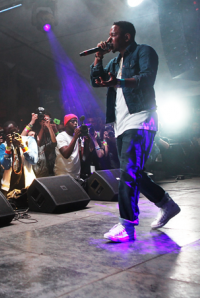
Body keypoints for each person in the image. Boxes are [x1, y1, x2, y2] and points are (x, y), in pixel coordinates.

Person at [91, 21, 180, 242]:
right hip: (121, 124)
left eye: (113, 35)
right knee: (134, 173)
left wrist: (119, 81)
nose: (109, 39)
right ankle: (166, 204)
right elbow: (96, 81)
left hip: (141, 118)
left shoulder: (144, 51)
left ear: (127, 37)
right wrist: (98, 57)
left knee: (128, 172)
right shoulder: (113, 62)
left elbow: (147, 78)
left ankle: (126, 225)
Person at [0, 121, 38, 193]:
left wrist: (22, 145)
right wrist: (8, 147)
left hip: (28, 184)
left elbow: (34, 160)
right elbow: (5, 166)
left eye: (13, 131)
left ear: (18, 129)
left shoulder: (29, 140)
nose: (11, 134)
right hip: (9, 188)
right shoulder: (3, 146)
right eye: (8, 133)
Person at [54, 115, 83, 180]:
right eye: (73, 121)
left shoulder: (78, 137)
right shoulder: (61, 136)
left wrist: (87, 141)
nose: (75, 123)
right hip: (63, 175)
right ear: (66, 124)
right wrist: (75, 137)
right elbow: (66, 154)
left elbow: (82, 157)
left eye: (76, 121)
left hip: (76, 175)